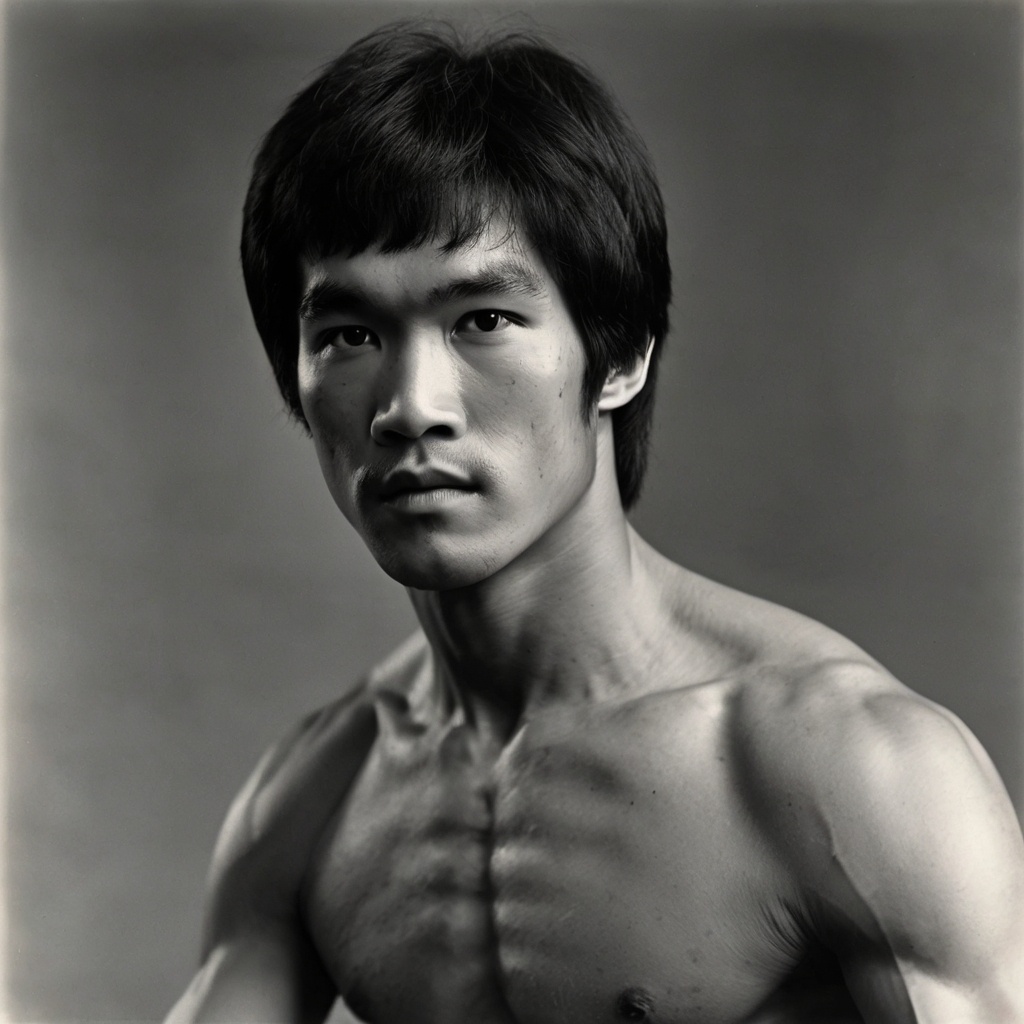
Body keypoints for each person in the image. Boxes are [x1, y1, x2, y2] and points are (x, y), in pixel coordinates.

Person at [167, 21, 1024, 1024]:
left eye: (483, 321)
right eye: (350, 334)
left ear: (620, 358)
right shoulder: (314, 802)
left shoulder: (851, 767)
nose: (409, 406)